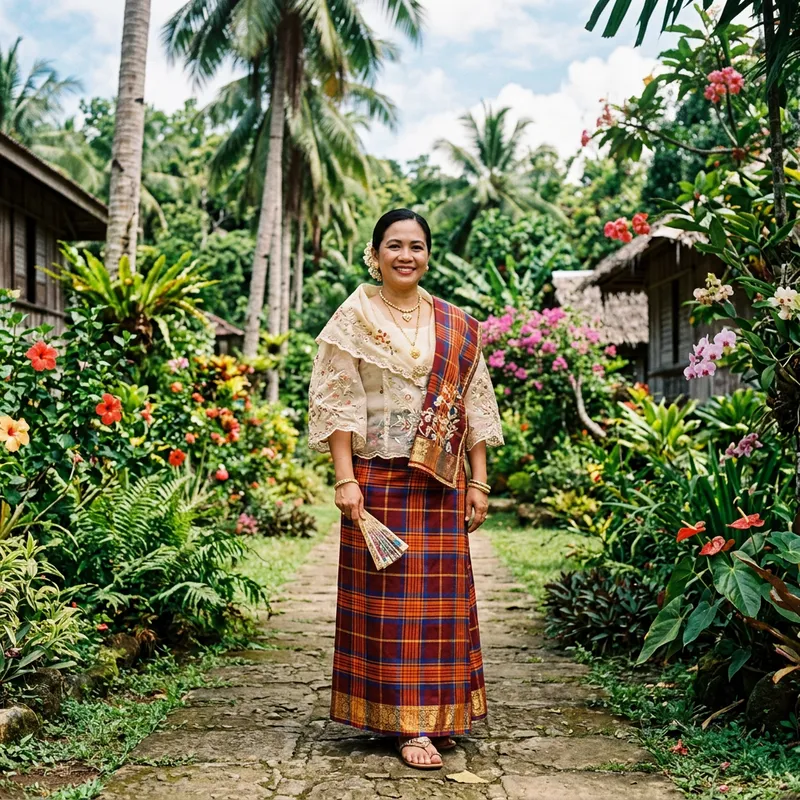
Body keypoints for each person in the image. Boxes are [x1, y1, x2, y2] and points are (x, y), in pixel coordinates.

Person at [307, 208, 504, 770]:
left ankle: (439, 714)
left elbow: (474, 403)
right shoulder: (355, 316)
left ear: (428, 254)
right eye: (394, 245)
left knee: (439, 606)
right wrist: (345, 479)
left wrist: (480, 481)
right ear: (375, 253)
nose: (406, 256)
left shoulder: (455, 325)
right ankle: (407, 723)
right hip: (379, 477)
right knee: (389, 605)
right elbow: (338, 400)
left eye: (416, 246)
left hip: (442, 480)